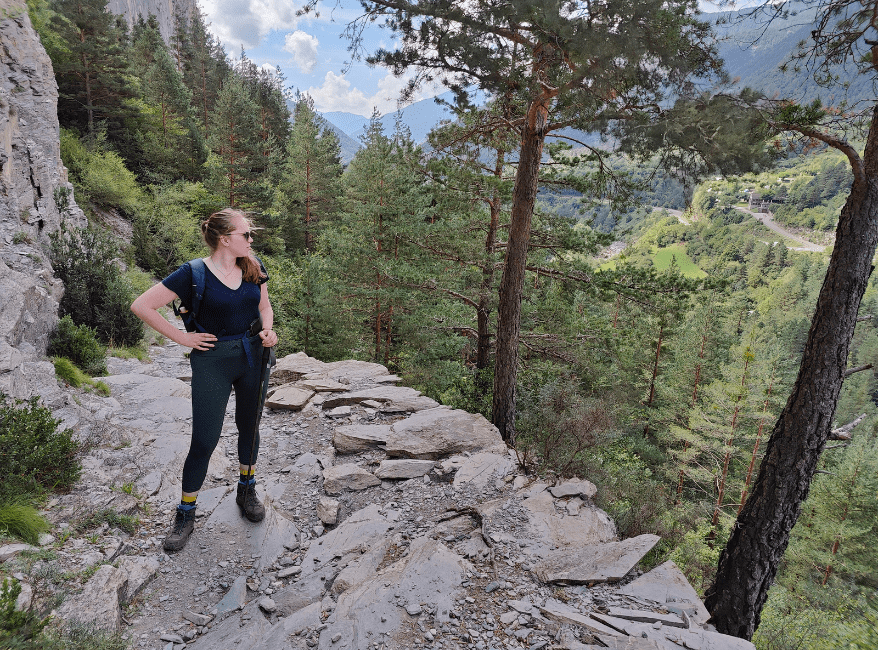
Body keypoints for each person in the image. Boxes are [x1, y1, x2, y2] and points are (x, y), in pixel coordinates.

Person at [131, 208, 279, 552]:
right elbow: (142, 305)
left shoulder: (252, 266)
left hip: (252, 355)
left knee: (250, 425)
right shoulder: (193, 273)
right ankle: (186, 512)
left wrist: (269, 330)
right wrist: (183, 339)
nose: (251, 240)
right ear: (225, 239)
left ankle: (247, 488)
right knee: (204, 439)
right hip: (211, 361)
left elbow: (264, 308)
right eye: (246, 235)